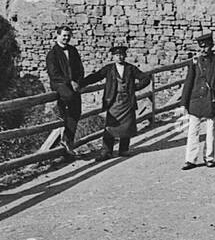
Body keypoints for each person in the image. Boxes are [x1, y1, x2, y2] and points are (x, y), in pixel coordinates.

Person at [83, 42, 151, 159]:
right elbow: (96, 76)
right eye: (117, 55)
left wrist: (134, 88)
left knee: (127, 126)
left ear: (125, 56)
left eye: (122, 54)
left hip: (127, 101)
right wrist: (81, 83)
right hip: (113, 101)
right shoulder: (109, 69)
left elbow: (145, 78)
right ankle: (106, 152)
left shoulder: (130, 68)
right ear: (113, 57)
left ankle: (123, 150)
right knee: (110, 126)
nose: (119, 57)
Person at [180, 32, 215, 169]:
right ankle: (190, 160)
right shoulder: (195, 62)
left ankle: (209, 158)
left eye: (206, 46)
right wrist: (184, 103)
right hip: (195, 102)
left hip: (211, 102)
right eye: (201, 47)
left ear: (212, 46)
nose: (203, 49)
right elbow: (188, 83)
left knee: (211, 132)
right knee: (193, 132)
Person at [46, 23, 86, 159]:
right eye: (64, 36)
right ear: (57, 36)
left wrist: (78, 81)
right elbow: (54, 73)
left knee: (76, 112)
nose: (66, 38)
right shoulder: (52, 54)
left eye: (68, 36)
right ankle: (61, 112)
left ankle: (68, 141)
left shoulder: (73, 51)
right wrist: (70, 82)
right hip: (60, 84)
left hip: (73, 85)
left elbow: (80, 69)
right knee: (69, 98)